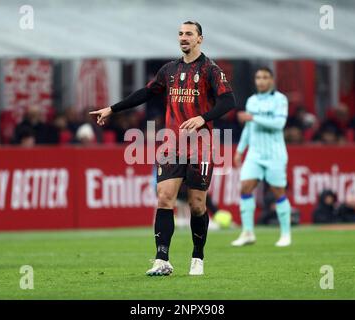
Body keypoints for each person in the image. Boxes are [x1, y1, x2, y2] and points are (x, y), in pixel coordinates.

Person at [90, 21, 235, 276]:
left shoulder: (211, 70)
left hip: (200, 146)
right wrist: (112, 109)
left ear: (200, 39)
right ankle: (162, 259)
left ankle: (197, 257)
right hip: (172, 144)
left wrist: (203, 118)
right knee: (164, 197)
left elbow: (229, 101)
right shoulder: (169, 70)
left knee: (197, 205)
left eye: (189, 34)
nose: (183, 37)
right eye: (180, 34)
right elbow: (144, 94)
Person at [231, 67, 292, 247]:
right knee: (245, 187)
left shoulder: (280, 99)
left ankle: (286, 234)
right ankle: (248, 232)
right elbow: (248, 130)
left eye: (265, 77)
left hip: (275, 154)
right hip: (255, 154)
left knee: (278, 192)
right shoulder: (252, 101)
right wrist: (240, 150)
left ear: (272, 80)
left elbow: (279, 124)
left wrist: (253, 117)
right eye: (258, 77)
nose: (261, 81)